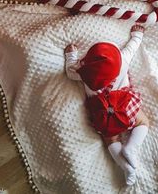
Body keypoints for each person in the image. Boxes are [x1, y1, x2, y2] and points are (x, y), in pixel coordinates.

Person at [64, 24, 149, 186]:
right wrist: (137, 35)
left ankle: (125, 167)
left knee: (110, 140)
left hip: (103, 114)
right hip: (124, 106)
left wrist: (71, 55)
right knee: (143, 122)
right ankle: (132, 147)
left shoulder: (83, 74)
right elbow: (132, 47)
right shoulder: (122, 62)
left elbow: (69, 72)